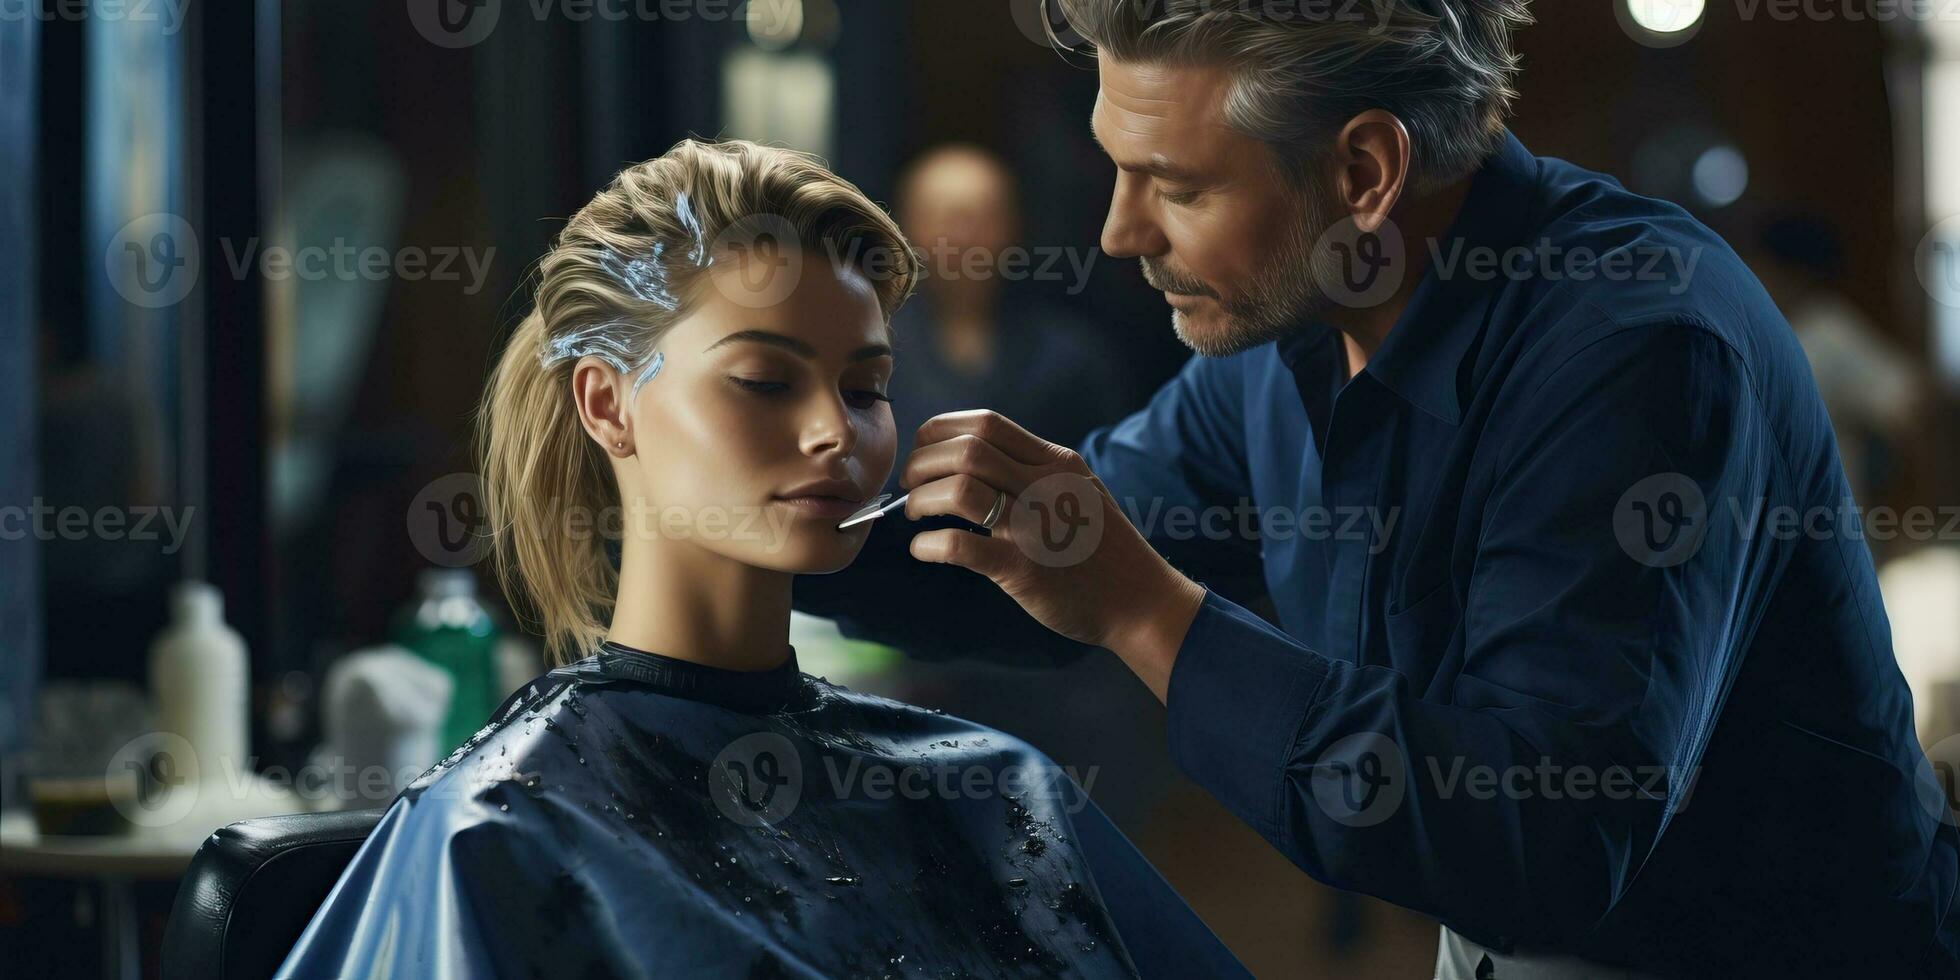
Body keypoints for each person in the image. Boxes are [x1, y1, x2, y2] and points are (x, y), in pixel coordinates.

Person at [799, 4, 1960, 978]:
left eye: (1174, 184)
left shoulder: (1638, 346)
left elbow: (1544, 843)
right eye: (1117, 169)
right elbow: (1040, 560)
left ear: (1363, 171)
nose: (1116, 231)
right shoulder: (1281, 338)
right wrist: (772, 534)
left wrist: (1145, 609)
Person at [276, 139, 1245, 979]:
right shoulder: (491, 835)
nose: (835, 430)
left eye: (865, 388)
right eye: (764, 380)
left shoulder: (995, 788)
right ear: (607, 404)